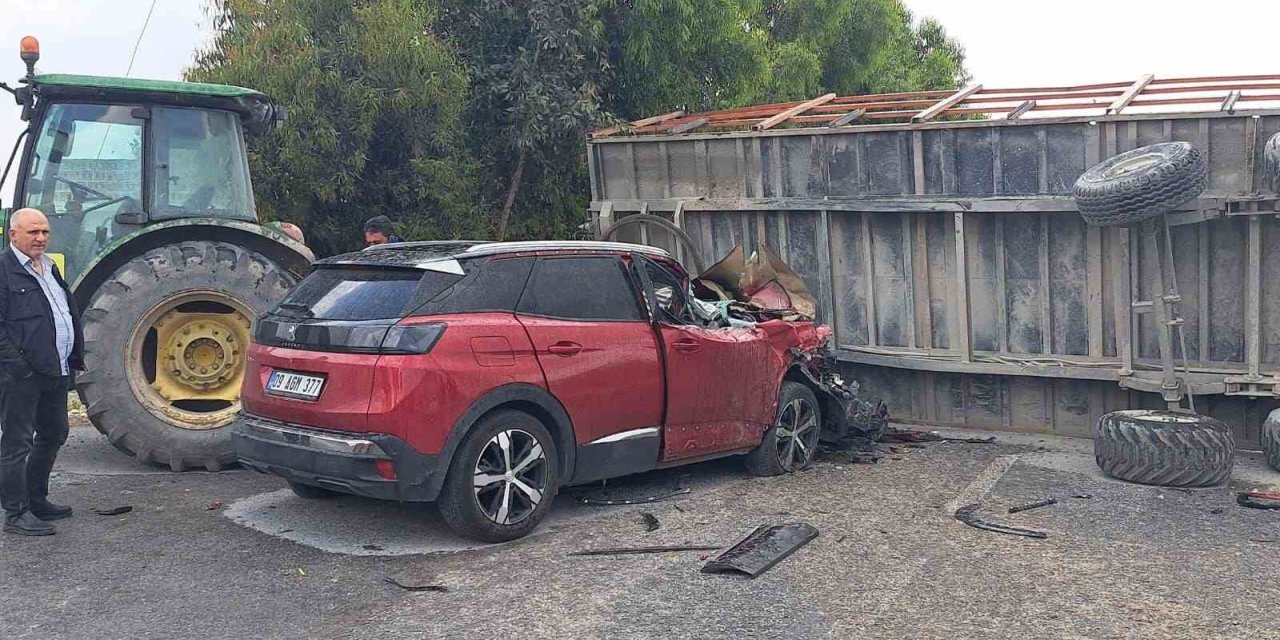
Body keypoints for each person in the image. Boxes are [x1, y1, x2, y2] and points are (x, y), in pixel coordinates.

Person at [0, 208, 84, 536]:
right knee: (17, 442)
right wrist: (16, 366)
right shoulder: (4, 270)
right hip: (21, 374)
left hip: (55, 368)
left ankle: (36, 499)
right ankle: (16, 513)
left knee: (54, 434)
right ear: (13, 234)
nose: (41, 238)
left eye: (45, 232)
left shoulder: (48, 267)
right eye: (33, 232)